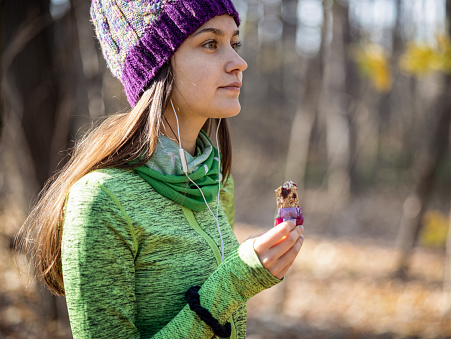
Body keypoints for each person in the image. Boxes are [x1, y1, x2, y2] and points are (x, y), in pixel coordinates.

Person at [17, 0, 304, 338]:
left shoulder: (213, 180)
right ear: (157, 65)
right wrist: (237, 279)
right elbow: (227, 291)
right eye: (211, 43)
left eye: (234, 43)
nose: (238, 62)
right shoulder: (101, 200)